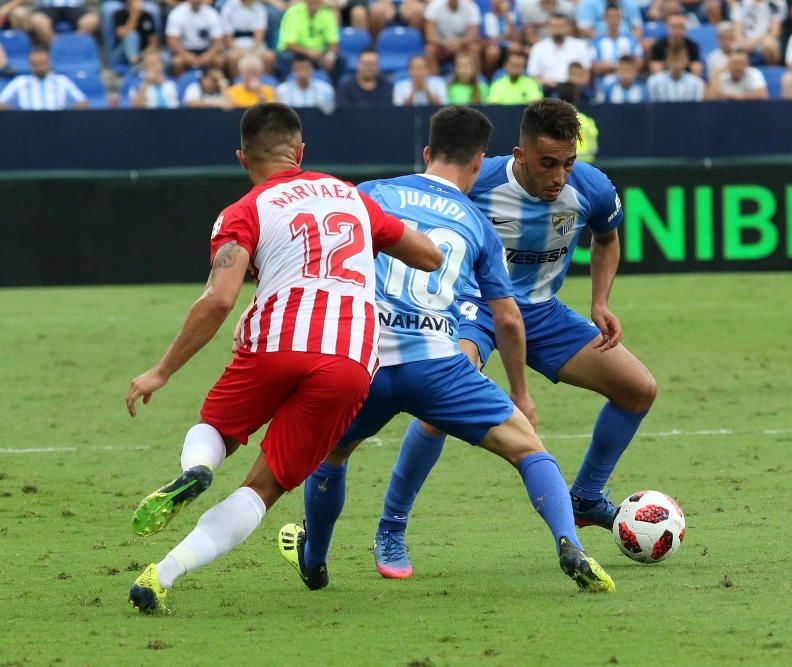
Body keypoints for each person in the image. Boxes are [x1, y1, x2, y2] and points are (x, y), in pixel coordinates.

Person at [280, 105, 616, 593]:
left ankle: (315, 559)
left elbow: (324, 261)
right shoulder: (475, 220)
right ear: (481, 163)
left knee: (332, 455)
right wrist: (521, 394)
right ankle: (570, 543)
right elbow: (506, 317)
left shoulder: (371, 194)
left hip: (366, 365)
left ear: (425, 153)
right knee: (529, 450)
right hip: (437, 364)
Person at [124, 102, 442, 613]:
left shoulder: (244, 210)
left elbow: (220, 299)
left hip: (275, 340)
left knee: (218, 429)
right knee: (264, 486)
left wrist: (161, 370)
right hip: (349, 360)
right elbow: (429, 256)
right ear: (300, 152)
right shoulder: (352, 198)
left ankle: (200, 467)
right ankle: (162, 574)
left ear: (242, 157)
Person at [368, 99, 657, 578]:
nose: (559, 176)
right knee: (436, 407)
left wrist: (600, 301)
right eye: (547, 163)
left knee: (638, 389)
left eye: (568, 163)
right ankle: (391, 529)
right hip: (472, 310)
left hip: (542, 315)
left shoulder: (593, 188)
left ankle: (585, 496)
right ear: (519, 155)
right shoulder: (477, 183)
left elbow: (606, 238)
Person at [0, 46, 87, 110]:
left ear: (48, 62)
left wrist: (65, 117)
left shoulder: (61, 81)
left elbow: (82, 103)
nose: (39, 68)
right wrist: (16, 117)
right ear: (30, 64)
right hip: (28, 125)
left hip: (57, 124)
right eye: (35, 64)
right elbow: (1, 103)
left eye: (42, 63)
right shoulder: (20, 82)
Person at [276, 0, 340, 79]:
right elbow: (289, 44)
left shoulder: (327, 14)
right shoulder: (293, 13)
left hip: (319, 53)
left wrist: (330, 56)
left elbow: (334, 41)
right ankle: (288, 81)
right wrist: (309, 52)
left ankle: (330, 86)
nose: (314, 4)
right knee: (286, 56)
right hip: (297, 52)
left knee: (340, 59)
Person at [526, 14, 592, 91]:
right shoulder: (538, 48)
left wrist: (575, 82)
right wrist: (546, 82)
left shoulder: (581, 46)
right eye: (554, 26)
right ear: (548, 28)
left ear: (568, 27)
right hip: (547, 91)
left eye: (561, 26)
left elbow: (586, 74)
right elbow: (533, 76)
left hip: (574, 90)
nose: (557, 29)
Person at [166, 0, 226, 76]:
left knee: (219, 61)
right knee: (177, 62)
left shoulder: (211, 13)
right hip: (185, 50)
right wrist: (185, 55)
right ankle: (180, 85)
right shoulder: (177, 13)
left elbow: (218, 40)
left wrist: (208, 55)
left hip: (206, 50)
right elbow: (172, 40)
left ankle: (218, 84)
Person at [423, 0, 482, 75]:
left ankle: (477, 80)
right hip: (442, 45)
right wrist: (445, 43)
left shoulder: (471, 7)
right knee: (430, 50)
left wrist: (459, 43)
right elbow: (430, 36)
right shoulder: (434, 6)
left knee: (474, 48)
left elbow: (473, 35)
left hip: (463, 45)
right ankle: (436, 81)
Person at [221, 0, 275, 78]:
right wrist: (239, 51)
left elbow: (260, 34)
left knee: (269, 57)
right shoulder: (229, 7)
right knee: (233, 58)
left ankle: (264, 85)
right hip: (235, 46)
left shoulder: (259, 8)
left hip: (255, 46)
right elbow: (227, 38)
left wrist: (252, 51)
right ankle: (237, 85)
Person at [590, 5, 644, 78]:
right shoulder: (596, 42)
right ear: (605, 19)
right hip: (606, 84)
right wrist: (622, 66)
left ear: (620, 18)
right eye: (611, 17)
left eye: (616, 16)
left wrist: (609, 66)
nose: (614, 20)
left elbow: (639, 62)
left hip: (628, 81)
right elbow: (596, 67)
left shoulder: (631, 40)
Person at [731, 0, 785, 65]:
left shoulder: (776, 3)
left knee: (770, 45)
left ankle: (771, 71)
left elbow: (774, 33)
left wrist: (753, 42)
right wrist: (745, 44)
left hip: (763, 41)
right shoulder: (741, 3)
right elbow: (737, 34)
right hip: (744, 42)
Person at [649, 13, 703, 77]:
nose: (676, 31)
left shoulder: (693, 45)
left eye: (680, 27)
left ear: (685, 29)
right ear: (667, 28)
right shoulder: (658, 45)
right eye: (673, 27)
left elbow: (696, 69)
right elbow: (655, 70)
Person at [26, 0, 98, 46]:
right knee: (37, 20)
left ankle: (75, 46)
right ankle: (58, 47)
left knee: (92, 20)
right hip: (47, 6)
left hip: (74, 6)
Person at [111, 0, 159, 68]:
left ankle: (137, 63)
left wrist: (144, 54)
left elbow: (153, 41)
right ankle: (135, 64)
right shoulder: (119, 14)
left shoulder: (147, 15)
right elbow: (122, 35)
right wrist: (134, 14)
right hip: (121, 54)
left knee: (162, 57)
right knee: (132, 35)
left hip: (142, 54)